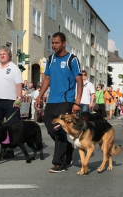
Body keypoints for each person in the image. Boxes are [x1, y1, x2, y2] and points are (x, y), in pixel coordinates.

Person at [35, 32, 83, 173]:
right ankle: (68, 148)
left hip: (66, 101)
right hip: (52, 101)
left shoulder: (72, 60)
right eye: (52, 43)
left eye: (57, 43)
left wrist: (77, 102)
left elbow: (79, 81)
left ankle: (59, 163)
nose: (54, 45)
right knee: (51, 129)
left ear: (64, 43)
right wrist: (39, 96)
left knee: (60, 130)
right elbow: (47, 79)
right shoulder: (50, 59)